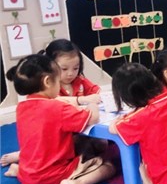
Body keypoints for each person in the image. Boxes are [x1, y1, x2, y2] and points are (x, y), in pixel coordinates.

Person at [5, 54, 115, 184]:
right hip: (50, 180)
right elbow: (93, 118)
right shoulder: (57, 108)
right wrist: (92, 105)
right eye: (58, 81)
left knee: (79, 141)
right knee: (109, 167)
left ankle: (18, 170)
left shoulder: (22, 107)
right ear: (47, 82)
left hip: (28, 177)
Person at [1, 38, 104, 174]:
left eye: (76, 68)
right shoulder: (50, 93)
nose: (70, 73)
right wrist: (83, 100)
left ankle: (23, 162)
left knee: (99, 144)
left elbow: (95, 91)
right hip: (56, 143)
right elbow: (58, 102)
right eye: (64, 69)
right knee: (100, 158)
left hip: (70, 131)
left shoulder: (79, 81)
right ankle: (22, 156)